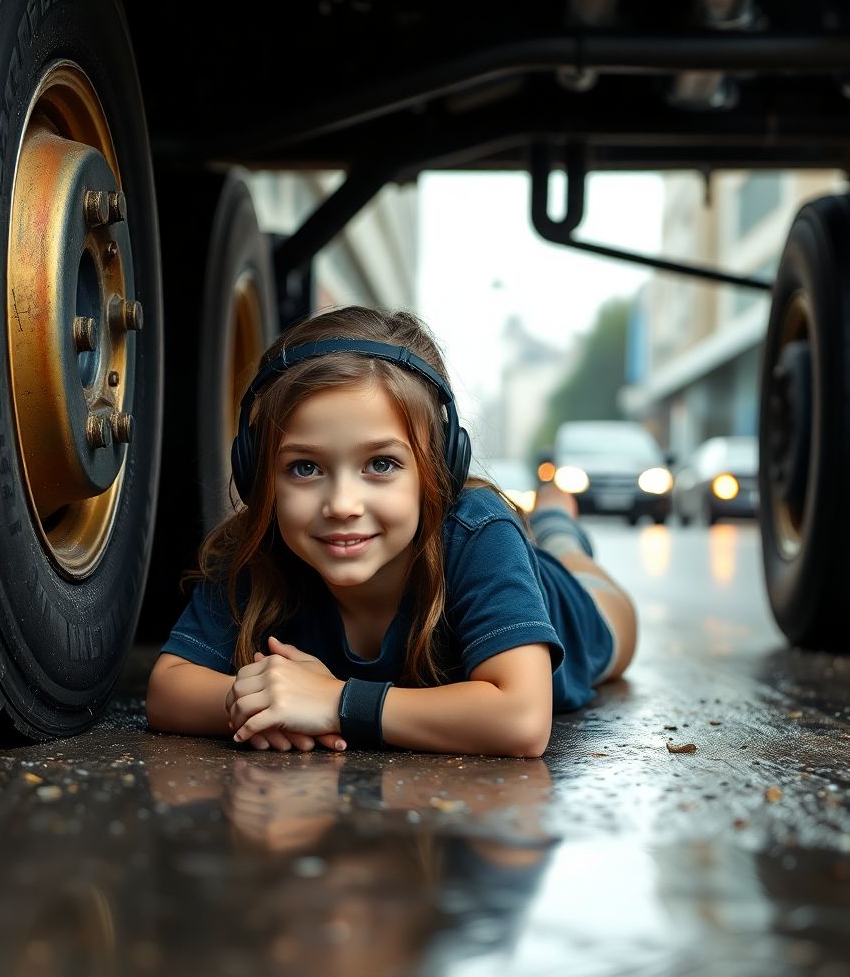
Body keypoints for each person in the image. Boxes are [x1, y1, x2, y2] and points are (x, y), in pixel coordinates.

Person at [146, 305, 637, 756]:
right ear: (257, 475)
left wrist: (335, 702)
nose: (341, 505)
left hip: (573, 606)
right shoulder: (261, 544)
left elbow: (521, 721)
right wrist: (261, 702)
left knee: (587, 580)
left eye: (380, 463)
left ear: (438, 469)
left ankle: (558, 529)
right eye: (304, 469)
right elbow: (168, 689)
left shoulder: (479, 532)